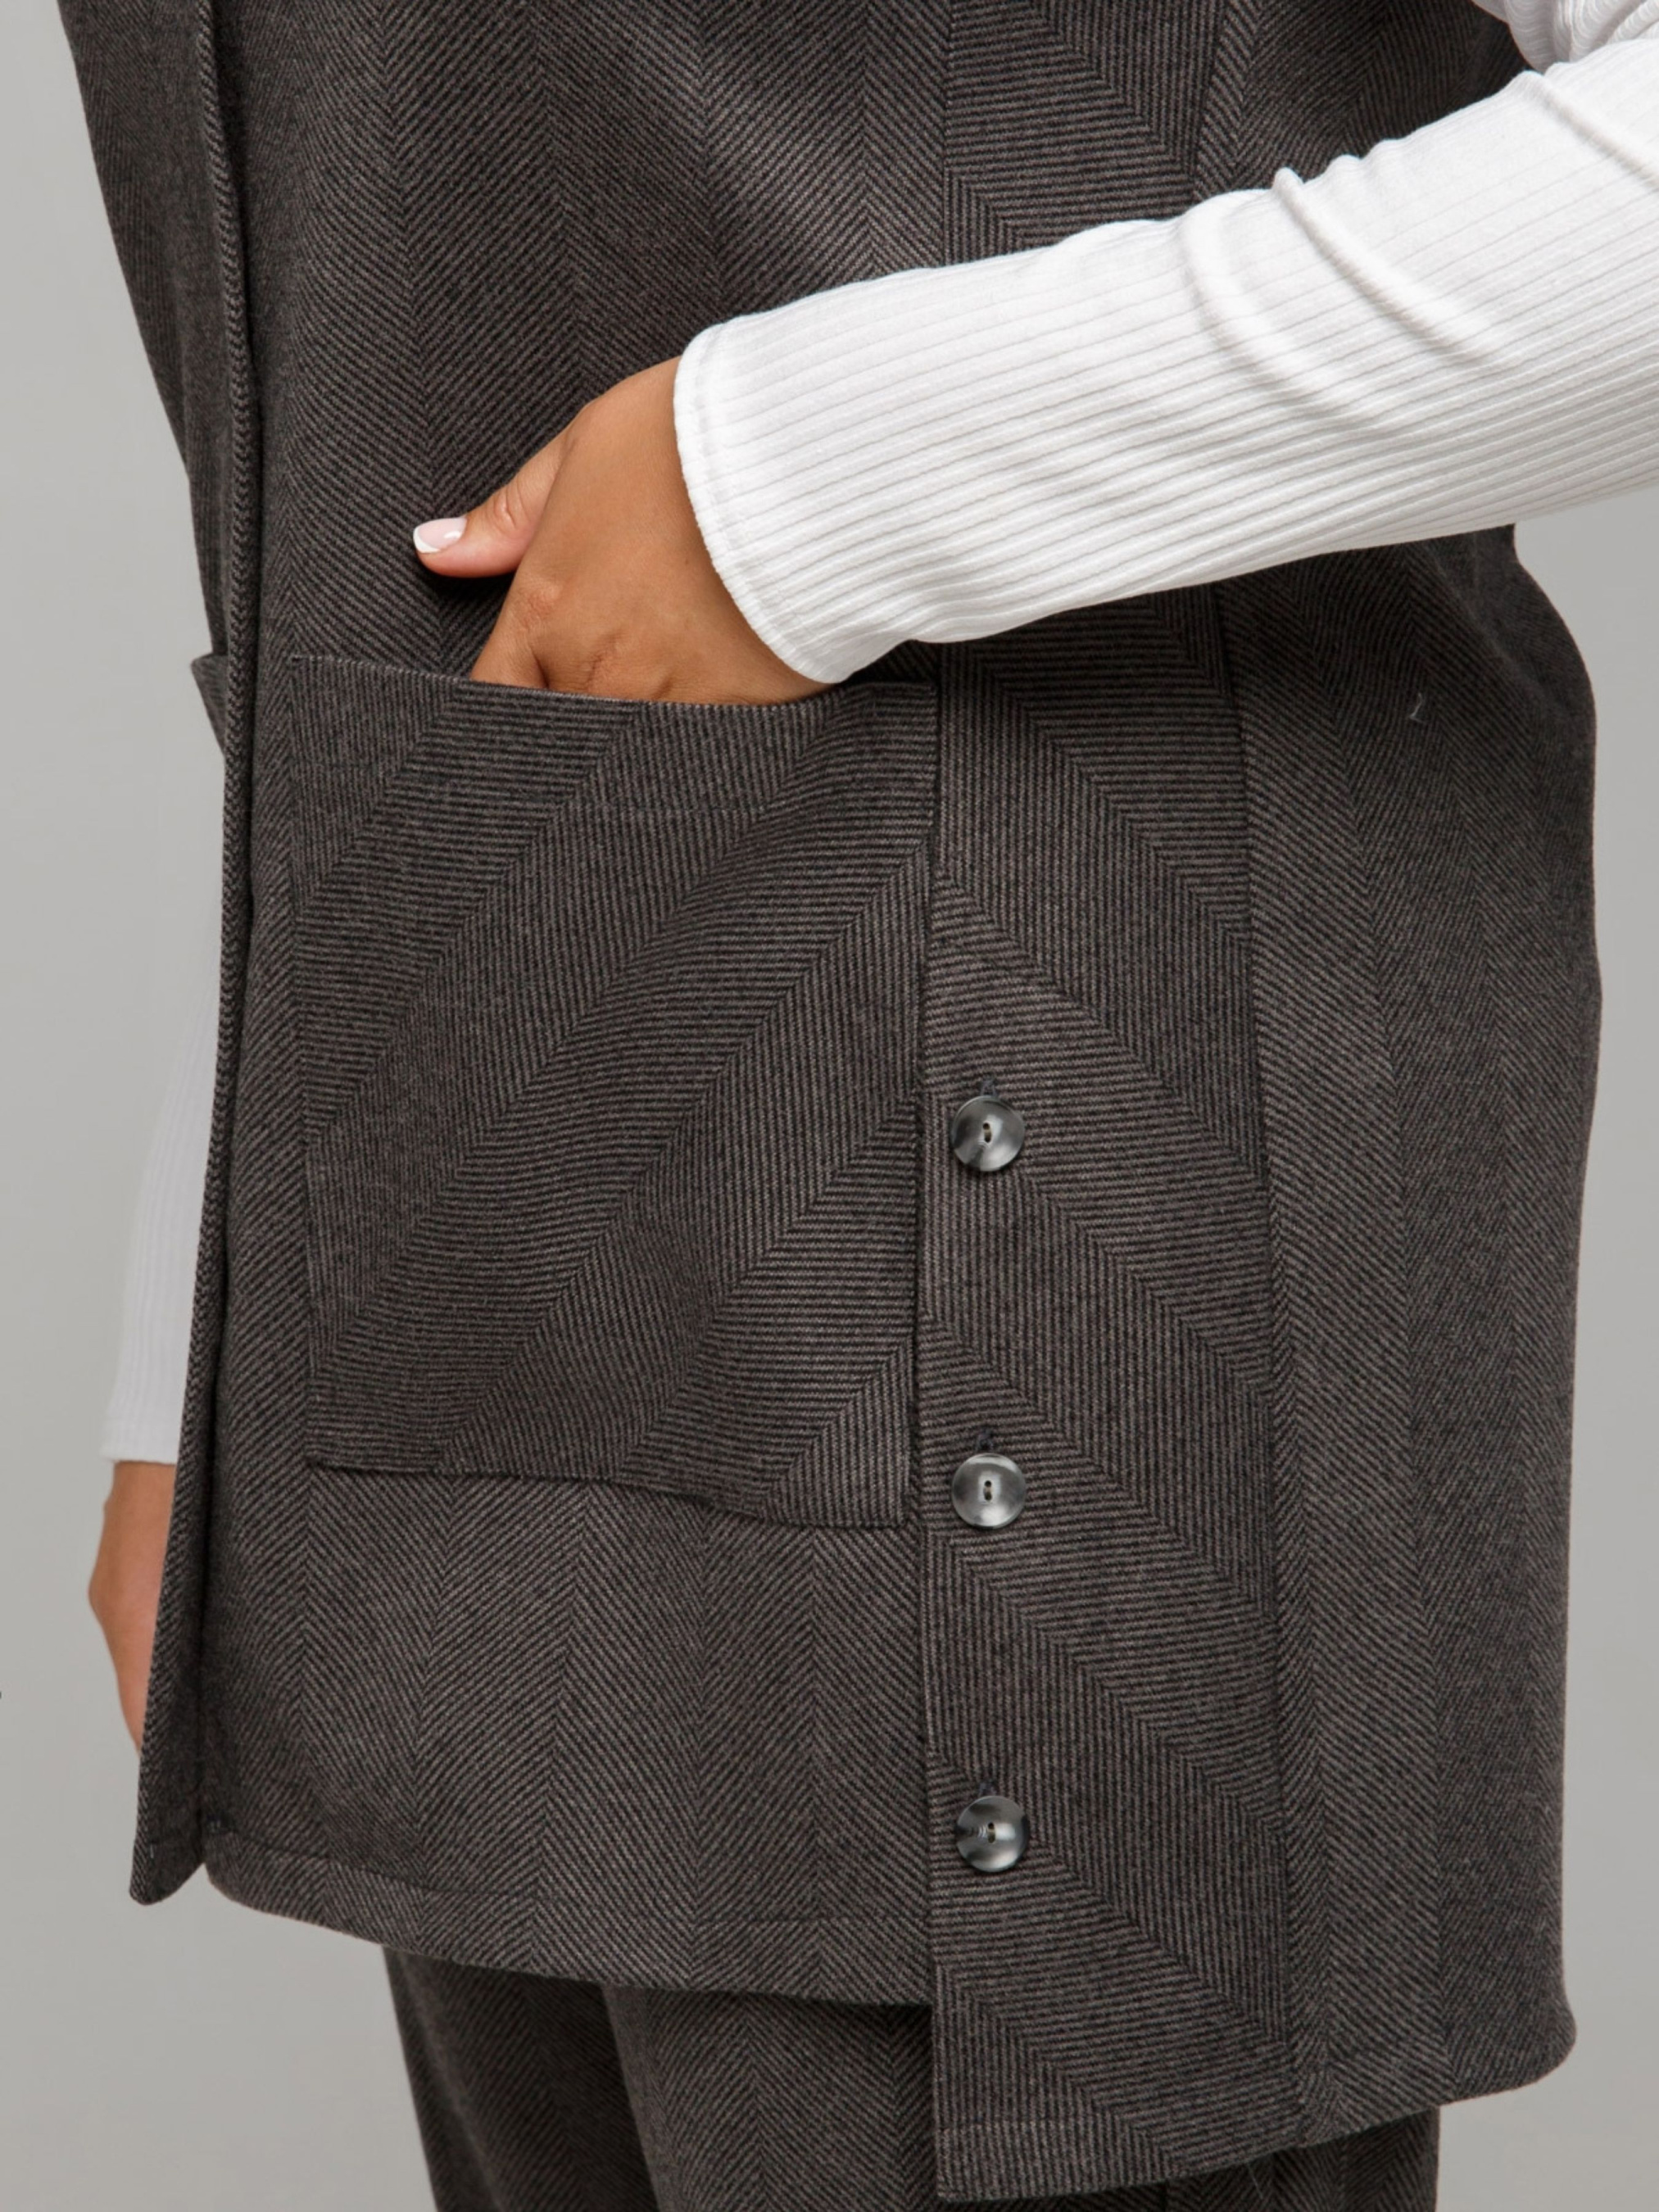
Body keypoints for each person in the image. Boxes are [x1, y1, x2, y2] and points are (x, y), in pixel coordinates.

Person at [67, 1, 1658, 2205]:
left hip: (1060, 1216)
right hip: (474, 1198)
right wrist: (207, 1271)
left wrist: (804, 470)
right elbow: (375, 385)